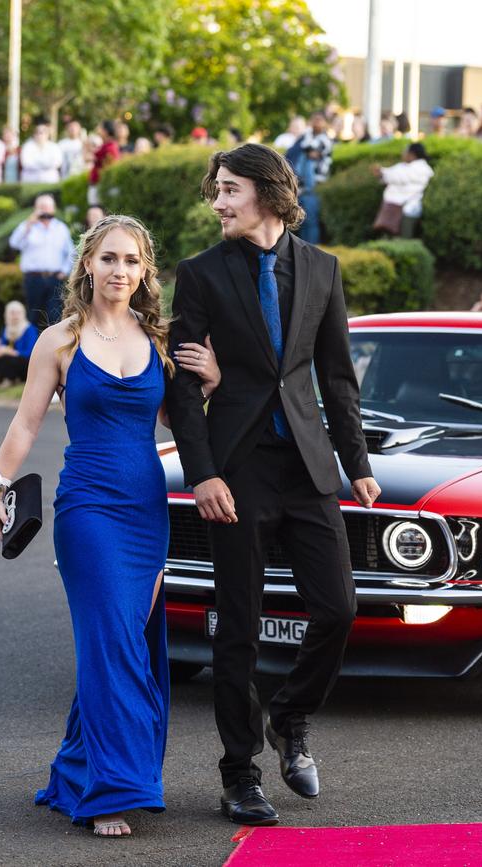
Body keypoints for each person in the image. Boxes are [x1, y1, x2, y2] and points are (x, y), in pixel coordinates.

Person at [0, 214, 220, 836]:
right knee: (110, 639)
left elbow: (174, 419)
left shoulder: (158, 341)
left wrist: (211, 385)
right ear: (89, 263)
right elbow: (27, 423)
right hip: (85, 510)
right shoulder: (57, 340)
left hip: (145, 511)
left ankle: (78, 770)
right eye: (110, 259)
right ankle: (112, 792)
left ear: (145, 273)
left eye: (133, 262)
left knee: (126, 643)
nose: (120, 271)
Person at [165, 143, 380, 827]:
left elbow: (337, 375)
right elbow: (182, 384)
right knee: (239, 628)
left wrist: (359, 461)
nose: (218, 202)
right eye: (216, 191)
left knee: (339, 608)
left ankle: (289, 715)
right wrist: (202, 472)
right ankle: (239, 774)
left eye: (229, 190)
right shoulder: (199, 274)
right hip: (237, 469)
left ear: (267, 192)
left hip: (309, 469)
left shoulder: (322, 269)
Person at [9, 194, 75, 327]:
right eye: (42, 207)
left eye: (47, 207)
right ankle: (32, 346)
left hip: (54, 278)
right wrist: (28, 224)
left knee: (54, 317)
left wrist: (64, 271)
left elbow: (71, 252)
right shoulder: (27, 227)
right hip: (33, 279)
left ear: (53, 209)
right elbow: (14, 243)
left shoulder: (61, 228)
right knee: (33, 316)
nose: (45, 210)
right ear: (35, 208)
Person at [288, 111, 333, 244]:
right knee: (300, 221)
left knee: (311, 221)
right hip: (301, 187)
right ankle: (302, 252)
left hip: (314, 187)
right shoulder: (306, 136)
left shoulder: (325, 139)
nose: (317, 123)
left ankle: (312, 250)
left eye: (320, 120)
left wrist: (304, 146)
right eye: (314, 120)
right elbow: (297, 151)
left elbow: (312, 151)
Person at [372, 142, 434, 238]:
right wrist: (382, 172)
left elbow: (399, 176)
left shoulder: (422, 169)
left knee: (404, 239)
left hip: (408, 210)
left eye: (405, 151)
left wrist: (382, 173)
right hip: (394, 209)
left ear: (412, 154)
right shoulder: (404, 166)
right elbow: (391, 173)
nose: (403, 154)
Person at [0, 301, 38, 387]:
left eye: (18, 313)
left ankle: (9, 378)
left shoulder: (29, 329)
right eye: (12, 313)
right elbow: (2, 345)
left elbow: (31, 352)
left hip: (23, 360)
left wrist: (12, 352)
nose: (15, 316)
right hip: (6, 357)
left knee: (9, 359)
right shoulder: (6, 329)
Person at [19, 119, 62, 184]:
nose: (40, 135)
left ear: (47, 134)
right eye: (38, 132)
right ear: (34, 134)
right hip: (30, 181)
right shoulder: (27, 146)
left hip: (50, 180)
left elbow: (57, 162)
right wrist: (45, 164)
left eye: (43, 132)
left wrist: (38, 163)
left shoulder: (54, 147)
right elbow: (26, 163)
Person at [88, 120, 119, 205]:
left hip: (102, 186)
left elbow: (109, 168)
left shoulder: (111, 147)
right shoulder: (105, 146)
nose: (98, 130)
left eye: (100, 128)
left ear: (106, 131)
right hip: (98, 184)